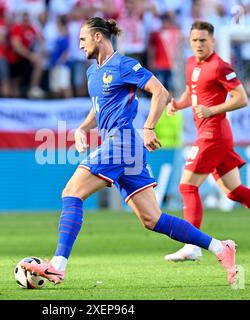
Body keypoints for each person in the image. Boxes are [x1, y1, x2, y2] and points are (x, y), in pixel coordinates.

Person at [20, 17, 238, 286]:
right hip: (121, 148)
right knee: (152, 219)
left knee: (71, 192)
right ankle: (220, 247)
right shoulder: (92, 73)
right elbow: (98, 107)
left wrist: (148, 127)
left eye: (82, 39)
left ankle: (58, 265)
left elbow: (160, 91)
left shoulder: (123, 65)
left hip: (122, 143)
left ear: (98, 37)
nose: (80, 45)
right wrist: (82, 128)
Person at [164, 21, 250, 262]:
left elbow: (241, 98)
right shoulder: (190, 63)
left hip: (213, 134)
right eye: (194, 40)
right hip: (211, 134)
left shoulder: (220, 66)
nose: (198, 44)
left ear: (212, 41)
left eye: (203, 40)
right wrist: (177, 104)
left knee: (187, 186)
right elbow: (191, 92)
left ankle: (191, 245)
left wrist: (212, 109)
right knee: (234, 191)